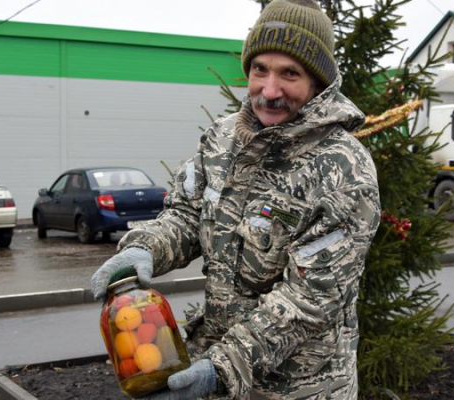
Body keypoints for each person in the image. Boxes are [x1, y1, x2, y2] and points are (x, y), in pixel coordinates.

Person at [91, 0, 381, 398]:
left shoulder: (343, 169)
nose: (270, 90)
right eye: (260, 69)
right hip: (223, 372)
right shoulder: (222, 138)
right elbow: (187, 215)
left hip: (301, 389)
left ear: (318, 84)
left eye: (290, 74)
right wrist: (146, 249)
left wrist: (221, 367)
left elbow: (311, 298)